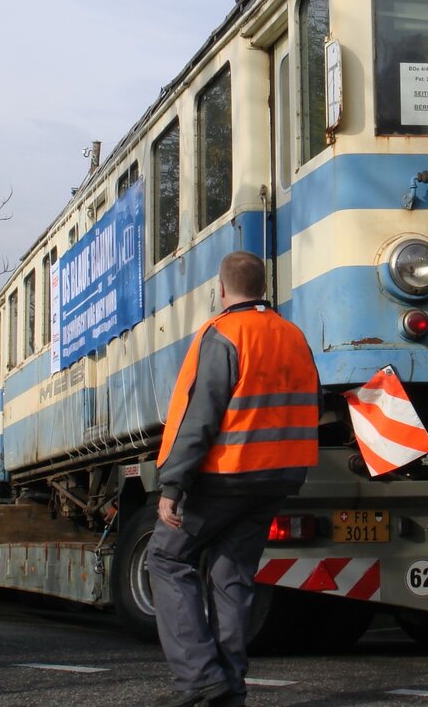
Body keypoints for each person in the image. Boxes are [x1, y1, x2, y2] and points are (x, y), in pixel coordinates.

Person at [148, 251, 320, 706]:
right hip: (278, 477)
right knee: (232, 576)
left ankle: (201, 678)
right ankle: (230, 686)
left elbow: (198, 417)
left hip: (226, 475)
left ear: (220, 289)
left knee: (167, 560)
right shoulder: (293, 335)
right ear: (264, 287)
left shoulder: (223, 334)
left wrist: (172, 486)